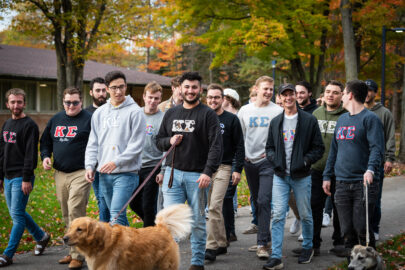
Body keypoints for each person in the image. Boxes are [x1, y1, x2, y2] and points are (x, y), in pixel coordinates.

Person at [156, 71, 223, 270]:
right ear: (180, 89)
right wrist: (170, 140)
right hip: (172, 175)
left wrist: (207, 172)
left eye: (194, 87)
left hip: (197, 176)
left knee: (197, 222)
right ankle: (170, 262)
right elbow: (158, 141)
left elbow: (216, 146)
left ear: (200, 90)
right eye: (187, 87)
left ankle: (196, 262)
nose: (190, 91)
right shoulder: (171, 113)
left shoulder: (208, 114)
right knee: (170, 222)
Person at [264, 84, 324, 269]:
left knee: (305, 214)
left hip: (302, 176)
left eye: (292, 94)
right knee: (278, 215)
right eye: (285, 95)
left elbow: (318, 148)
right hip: (280, 176)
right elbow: (269, 148)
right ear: (280, 98)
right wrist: (275, 161)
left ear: (296, 97)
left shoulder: (308, 120)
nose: (289, 98)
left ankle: (308, 247)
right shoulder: (275, 122)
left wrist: (305, 161)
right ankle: (275, 256)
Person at [323, 80, 384, 258]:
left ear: (350, 95)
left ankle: (371, 263)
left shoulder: (370, 119)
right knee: (346, 230)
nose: (341, 96)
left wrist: (371, 169)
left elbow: (377, 148)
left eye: (343, 93)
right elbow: (334, 151)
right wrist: (327, 176)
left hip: (363, 183)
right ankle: (352, 262)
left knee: (362, 228)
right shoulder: (342, 120)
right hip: (341, 183)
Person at [292, 80, 346, 257]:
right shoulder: (316, 113)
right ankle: (313, 244)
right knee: (313, 207)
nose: (331, 95)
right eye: (328, 91)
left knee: (339, 208)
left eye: (335, 92)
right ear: (323, 94)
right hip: (316, 169)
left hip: (339, 170)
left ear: (341, 95)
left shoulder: (346, 116)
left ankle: (339, 242)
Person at [85, 70, 145, 227]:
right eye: (114, 88)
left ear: (126, 87)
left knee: (116, 214)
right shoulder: (99, 113)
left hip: (126, 173)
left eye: (122, 87)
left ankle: (126, 250)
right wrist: (90, 166)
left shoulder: (135, 112)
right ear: (107, 89)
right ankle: (128, 249)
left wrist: (116, 162)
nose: (118, 91)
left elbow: (137, 145)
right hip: (104, 173)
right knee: (117, 216)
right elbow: (93, 142)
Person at [40, 87, 92, 269]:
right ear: (63, 102)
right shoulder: (56, 119)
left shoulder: (89, 119)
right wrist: (45, 156)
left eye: (75, 102)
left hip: (81, 172)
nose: (71, 106)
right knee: (65, 213)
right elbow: (45, 141)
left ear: (81, 102)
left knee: (75, 210)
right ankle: (72, 252)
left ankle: (79, 255)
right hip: (60, 173)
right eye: (68, 102)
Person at [0, 88, 50, 267]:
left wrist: (26, 178)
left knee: (17, 216)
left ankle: (8, 254)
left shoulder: (29, 125)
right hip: (7, 176)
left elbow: (30, 154)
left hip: (21, 176)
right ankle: (41, 237)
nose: (16, 105)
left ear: (24, 103)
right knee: (17, 212)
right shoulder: (6, 125)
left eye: (19, 102)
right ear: (7, 104)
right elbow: (2, 152)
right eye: (12, 102)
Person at [237, 76, 283, 259]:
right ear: (256, 89)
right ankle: (266, 237)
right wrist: (241, 160)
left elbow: (283, 137)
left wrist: (273, 155)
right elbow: (240, 137)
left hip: (267, 163)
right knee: (256, 201)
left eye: (271, 89)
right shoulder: (245, 110)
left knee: (264, 200)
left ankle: (262, 244)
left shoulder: (278, 111)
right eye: (265, 89)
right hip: (249, 162)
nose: (269, 92)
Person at [204, 84, 244, 262]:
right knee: (214, 207)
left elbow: (240, 146)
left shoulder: (231, 119)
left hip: (224, 167)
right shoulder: (203, 117)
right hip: (205, 168)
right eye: (210, 97)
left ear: (223, 99)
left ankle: (211, 246)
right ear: (207, 99)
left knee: (214, 206)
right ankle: (221, 242)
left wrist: (237, 169)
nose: (213, 100)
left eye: (217, 97)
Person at [129, 81, 164, 227]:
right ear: (144, 96)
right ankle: (155, 225)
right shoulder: (135, 114)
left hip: (153, 166)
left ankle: (148, 237)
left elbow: (167, 147)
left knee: (148, 205)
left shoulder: (163, 118)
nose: (153, 101)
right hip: (134, 166)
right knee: (133, 203)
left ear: (160, 99)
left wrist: (162, 170)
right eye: (150, 97)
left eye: (156, 98)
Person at [364, 79, 395, 241]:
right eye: (365, 90)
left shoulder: (384, 113)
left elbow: (390, 136)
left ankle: (374, 228)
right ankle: (362, 229)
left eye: (370, 90)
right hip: (360, 162)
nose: (367, 93)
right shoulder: (358, 110)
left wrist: (389, 158)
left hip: (377, 163)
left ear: (375, 93)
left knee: (375, 199)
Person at [84, 77, 109, 222]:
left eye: (103, 90)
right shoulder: (86, 114)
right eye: (97, 90)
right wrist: (89, 165)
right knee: (102, 200)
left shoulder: (112, 110)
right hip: (95, 164)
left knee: (110, 202)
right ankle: (105, 231)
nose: (101, 93)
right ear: (91, 92)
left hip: (112, 162)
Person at [221, 88, 242, 243]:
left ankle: (228, 232)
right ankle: (230, 231)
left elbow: (240, 142)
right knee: (224, 198)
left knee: (227, 196)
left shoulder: (238, 115)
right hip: (221, 160)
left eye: (225, 96)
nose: (223, 98)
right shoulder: (218, 113)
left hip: (234, 159)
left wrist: (238, 168)